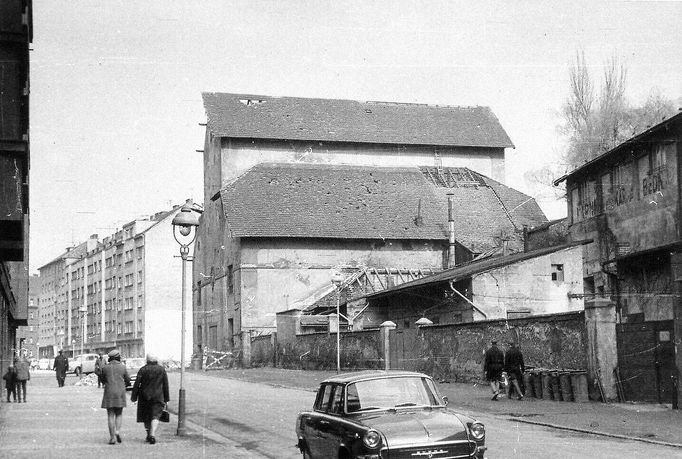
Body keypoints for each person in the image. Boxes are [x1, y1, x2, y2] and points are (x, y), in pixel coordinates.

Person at [131, 354, 169, 445]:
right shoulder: (161, 370)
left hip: (144, 396)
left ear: (147, 360)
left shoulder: (143, 369)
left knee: (146, 416)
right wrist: (166, 398)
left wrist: (134, 397)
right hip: (158, 396)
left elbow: (137, 384)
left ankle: (148, 434)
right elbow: (165, 384)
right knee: (155, 416)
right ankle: (152, 434)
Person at [100, 349, 131, 445]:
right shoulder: (123, 367)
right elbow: (128, 380)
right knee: (119, 413)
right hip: (120, 392)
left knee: (110, 415)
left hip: (109, 392)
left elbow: (102, 380)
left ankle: (112, 437)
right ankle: (117, 431)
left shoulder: (105, 368)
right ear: (118, 357)